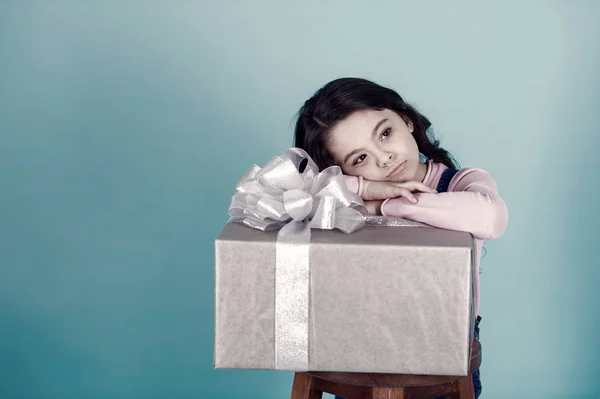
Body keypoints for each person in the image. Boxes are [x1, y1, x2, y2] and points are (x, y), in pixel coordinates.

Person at [293, 77, 508, 398]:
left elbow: (491, 218)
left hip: (444, 347)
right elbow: (294, 191)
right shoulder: (343, 197)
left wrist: (388, 202)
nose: (384, 158)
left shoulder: (461, 183)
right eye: (360, 159)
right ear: (342, 172)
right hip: (360, 349)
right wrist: (365, 189)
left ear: (406, 120)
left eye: (385, 133)